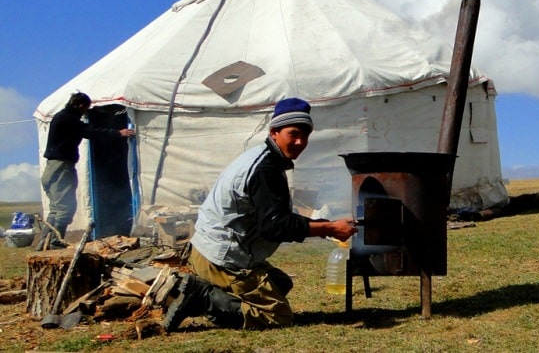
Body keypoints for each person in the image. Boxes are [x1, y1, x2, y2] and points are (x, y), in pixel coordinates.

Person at [163, 97, 357, 332]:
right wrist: (329, 228)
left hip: (209, 249)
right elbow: (275, 226)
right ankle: (202, 297)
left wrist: (326, 225)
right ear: (274, 132)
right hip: (222, 259)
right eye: (293, 134)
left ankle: (214, 295)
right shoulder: (265, 169)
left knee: (281, 283)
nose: (300, 142)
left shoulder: (266, 158)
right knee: (278, 317)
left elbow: (275, 217)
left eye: (305, 136)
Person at [35, 92, 135, 251]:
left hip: (52, 168)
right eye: (86, 109)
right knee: (65, 209)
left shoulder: (61, 117)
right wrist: (118, 133)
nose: (85, 113)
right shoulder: (69, 119)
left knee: (55, 209)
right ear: (80, 106)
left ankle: (44, 243)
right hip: (62, 168)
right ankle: (54, 242)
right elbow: (92, 132)